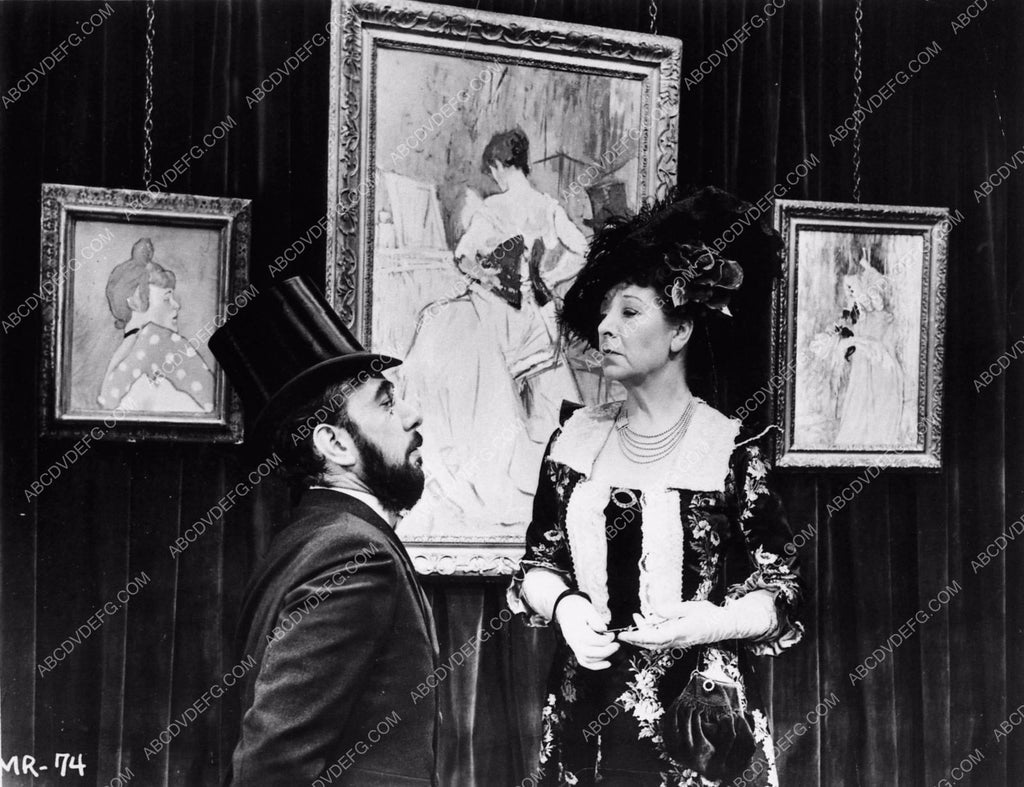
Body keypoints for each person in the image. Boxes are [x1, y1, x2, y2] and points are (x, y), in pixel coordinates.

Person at [508, 188, 804, 786]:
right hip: (585, 708)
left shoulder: (729, 449)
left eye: (629, 313)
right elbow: (538, 563)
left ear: (680, 331)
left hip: (698, 721)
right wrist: (565, 607)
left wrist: (712, 623)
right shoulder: (573, 440)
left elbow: (782, 589)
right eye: (603, 314)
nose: (605, 328)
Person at [209, 276, 440, 787]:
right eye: (386, 403)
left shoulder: (311, 537)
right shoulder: (354, 552)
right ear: (334, 443)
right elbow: (271, 764)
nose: (413, 415)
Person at [398, 127, 590, 531]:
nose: (495, 177)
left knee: (446, 335)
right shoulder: (547, 206)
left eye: (494, 170)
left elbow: (463, 255)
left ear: (501, 164)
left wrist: (487, 277)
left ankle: (492, 473)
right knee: (544, 406)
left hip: (502, 319)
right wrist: (550, 278)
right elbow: (582, 250)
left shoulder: (494, 208)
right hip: (539, 321)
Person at [98, 237, 214, 413]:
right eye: (167, 298)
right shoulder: (156, 339)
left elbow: (109, 401)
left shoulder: (130, 350)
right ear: (135, 301)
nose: (176, 305)